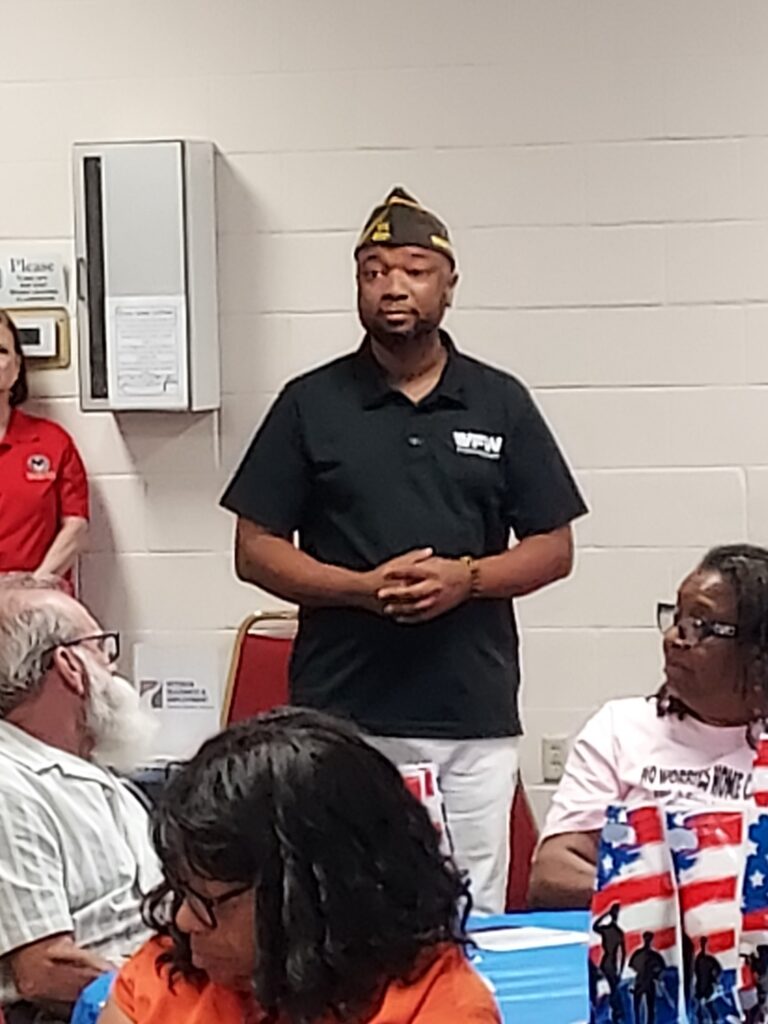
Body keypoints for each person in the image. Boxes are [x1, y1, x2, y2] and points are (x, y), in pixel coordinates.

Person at [220, 186, 587, 913]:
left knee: (472, 910)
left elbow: (554, 546)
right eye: (374, 271)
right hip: (342, 714)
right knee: (341, 909)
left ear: (449, 286)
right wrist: (359, 589)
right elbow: (255, 549)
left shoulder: (499, 401)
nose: (393, 286)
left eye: (415, 270)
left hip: (469, 712)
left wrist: (467, 578)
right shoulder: (310, 402)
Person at [96, 707, 501, 1024]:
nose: (183, 920)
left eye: (206, 900)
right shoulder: (171, 974)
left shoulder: (437, 1008)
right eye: (181, 890)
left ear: (313, 895)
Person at [529, 543, 768, 909]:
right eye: (677, 619)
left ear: (757, 651)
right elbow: (552, 875)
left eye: (699, 626)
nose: (673, 639)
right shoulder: (621, 728)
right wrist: (673, 902)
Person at [0, 575, 161, 1023]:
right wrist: (172, 999)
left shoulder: (93, 772)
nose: (112, 665)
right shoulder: (9, 787)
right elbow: (45, 972)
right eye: (102, 648)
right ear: (70, 665)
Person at [0, 310, 88, 585]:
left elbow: (76, 525)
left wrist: (34, 586)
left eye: (1, 351)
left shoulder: (53, 442)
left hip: (37, 595)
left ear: (16, 367)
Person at [593, 903, 626, 1023]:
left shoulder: (614, 932)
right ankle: (613, 1012)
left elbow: (623, 954)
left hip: (609, 962)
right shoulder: (615, 932)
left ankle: (614, 1012)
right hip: (609, 962)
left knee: (611, 988)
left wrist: (605, 914)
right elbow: (595, 927)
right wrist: (620, 970)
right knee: (611, 988)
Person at [628, 932, 666, 1024]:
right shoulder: (654, 955)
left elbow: (632, 966)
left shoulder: (639, 954)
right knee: (646, 1007)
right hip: (645, 981)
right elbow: (661, 968)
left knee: (643, 1007)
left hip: (643, 981)